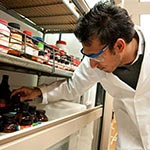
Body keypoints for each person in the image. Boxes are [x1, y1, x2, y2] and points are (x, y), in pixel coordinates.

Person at [11, 1, 150, 149]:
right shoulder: (96, 58)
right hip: (129, 143)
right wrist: (38, 91)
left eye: (96, 57)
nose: (92, 65)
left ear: (119, 46)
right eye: (88, 56)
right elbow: (73, 86)